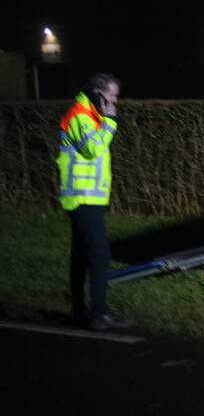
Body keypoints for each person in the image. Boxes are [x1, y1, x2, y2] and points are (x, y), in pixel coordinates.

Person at [56, 73, 132, 330]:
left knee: (80, 255)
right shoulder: (80, 115)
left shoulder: (89, 115)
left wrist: (105, 121)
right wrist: (110, 122)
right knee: (100, 254)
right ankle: (98, 314)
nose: (114, 102)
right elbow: (94, 149)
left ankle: (79, 311)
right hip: (81, 197)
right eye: (112, 96)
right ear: (98, 93)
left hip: (85, 197)